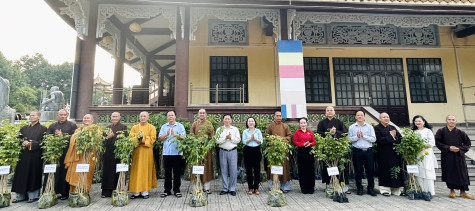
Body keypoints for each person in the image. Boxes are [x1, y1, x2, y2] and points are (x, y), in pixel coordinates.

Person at [11, 111, 47, 203]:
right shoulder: (24, 128)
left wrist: (32, 143)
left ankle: (33, 196)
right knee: (21, 175)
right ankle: (20, 195)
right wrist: (22, 142)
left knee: (33, 174)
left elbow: (44, 142)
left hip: (35, 156)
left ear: (38, 117)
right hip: (23, 156)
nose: (31, 117)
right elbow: (18, 139)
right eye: (30, 115)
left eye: (33, 115)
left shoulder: (43, 129)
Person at [435, 115, 473, 200]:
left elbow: (467, 144)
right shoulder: (441, 131)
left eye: (453, 120)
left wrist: (459, 149)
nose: (451, 121)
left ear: (456, 121)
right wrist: (448, 148)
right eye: (449, 119)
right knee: (449, 172)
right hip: (447, 155)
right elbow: (438, 142)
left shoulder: (461, 132)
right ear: (446, 120)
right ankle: (452, 191)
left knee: (461, 173)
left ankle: (463, 192)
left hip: (458, 155)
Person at [45, 109, 77, 200]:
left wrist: (62, 136)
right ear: (57, 116)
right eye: (60, 115)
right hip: (54, 153)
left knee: (64, 172)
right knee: (53, 172)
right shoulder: (52, 126)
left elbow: (74, 139)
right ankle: (52, 190)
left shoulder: (72, 125)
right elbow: (47, 138)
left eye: (64, 115)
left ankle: (64, 193)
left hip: (66, 153)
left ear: (67, 115)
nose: (62, 116)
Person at [316, 106, 349, 193]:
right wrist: (328, 133)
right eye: (328, 110)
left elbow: (345, 132)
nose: (329, 112)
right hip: (327, 149)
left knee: (339, 165)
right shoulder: (322, 123)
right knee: (328, 166)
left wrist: (336, 132)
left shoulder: (339, 122)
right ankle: (329, 185)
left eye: (331, 110)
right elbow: (319, 134)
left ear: (334, 112)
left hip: (338, 149)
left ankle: (339, 185)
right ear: (325, 113)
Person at [64, 114, 100, 193]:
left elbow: (98, 139)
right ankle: (74, 192)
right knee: (75, 173)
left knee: (86, 173)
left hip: (89, 156)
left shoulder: (96, 129)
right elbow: (73, 138)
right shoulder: (78, 129)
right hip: (77, 155)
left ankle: (84, 192)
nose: (86, 119)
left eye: (88, 118)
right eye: (85, 118)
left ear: (92, 120)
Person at [129, 111, 157, 199]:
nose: (143, 118)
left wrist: (143, 139)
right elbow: (130, 138)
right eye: (141, 116)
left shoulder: (151, 127)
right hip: (137, 151)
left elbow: (153, 139)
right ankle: (136, 192)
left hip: (146, 152)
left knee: (146, 170)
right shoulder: (134, 127)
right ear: (139, 117)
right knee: (136, 170)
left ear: (147, 117)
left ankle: (145, 192)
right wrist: (137, 138)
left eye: (144, 116)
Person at [374, 112, 404, 196]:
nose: (386, 118)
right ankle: (385, 189)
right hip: (383, 153)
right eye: (384, 117)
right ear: (379, 119)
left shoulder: (392, 127)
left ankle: (396, 189)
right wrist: (391, 137)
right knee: (384, 170)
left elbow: (399, 139)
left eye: (387, 117)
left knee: (395, 170)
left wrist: (394, 137)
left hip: (394, 153)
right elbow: (379, 140)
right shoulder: (376, 128)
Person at [348, 111, 376, 196]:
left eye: (361, 115)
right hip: (357, 151)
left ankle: (370, 188)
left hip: (368, 151)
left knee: (370, 171)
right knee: (358, 170)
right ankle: (359, 188)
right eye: (358, 115)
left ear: (364, 117)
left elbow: (374, 139)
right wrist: (357, 137)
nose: (360, 116)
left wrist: (364, 136)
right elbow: (349, 139)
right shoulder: (352, 127)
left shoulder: (369, 127)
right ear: (355, 117)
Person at [158, 110, 186, 198]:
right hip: (167, 153)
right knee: (167, 172)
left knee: (177, 172)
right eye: (169, 115)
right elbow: (160, 138)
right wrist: (166, 134)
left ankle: (176, 190)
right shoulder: (164, 126)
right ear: (167, 117)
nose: (170, 117)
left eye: (172, 115)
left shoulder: (180, 126)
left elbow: (184, 138)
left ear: (175, 117)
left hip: (177, 153)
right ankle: (167, 190)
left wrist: (176, 135)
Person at [101, 112, 127, 198]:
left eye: (116, 116)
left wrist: (114, 136)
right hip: (109, 152)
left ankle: (118, 189)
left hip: (119, 151)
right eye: (113, 116)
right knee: (108, 171)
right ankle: (106, 191)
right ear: (111, 118)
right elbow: (103, 141)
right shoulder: (107, 128)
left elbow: (125, 140)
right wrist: (108, 137)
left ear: (119, 117)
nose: (115, 118)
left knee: (118, 171)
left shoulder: (123, 127)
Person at [412, 115, 438, 200]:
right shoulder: (413, 132)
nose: (418, 122)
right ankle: (421, 190)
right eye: (416, 121)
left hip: (426, 153)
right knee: (419, 172)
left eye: (419, 121)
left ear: (424, 122)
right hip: (417, 154)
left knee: (427, 171)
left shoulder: (428, 131)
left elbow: (432, 143)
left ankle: (429, 191)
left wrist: (423, 146)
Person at [265, 111, 292, 193]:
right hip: (273, 151)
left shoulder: (285, 126)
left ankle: (285, 187)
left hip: (283, 151)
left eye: (280, 116)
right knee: (273, 167)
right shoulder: (270, 126)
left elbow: (289, 137)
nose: (279, 117)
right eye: (277, 116)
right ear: (274, 117)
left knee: (284, 168)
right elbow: (267, 136)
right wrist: (274, 138)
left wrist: (281, 138)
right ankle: (273, 185)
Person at [190, 108, 215, 194]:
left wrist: (207, 144)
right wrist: (196, 141)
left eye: (203, 113)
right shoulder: (195, 124)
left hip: (206, 150)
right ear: (198, 115)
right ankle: (195, 187)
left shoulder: (209, 124)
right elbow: (191, 135)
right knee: (196, 167)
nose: (202, 115)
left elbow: (212, 137)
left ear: (206, 114)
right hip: (196, 149)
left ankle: (206, 188)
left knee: (206, 167)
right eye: (200, 113)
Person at [216, 114, 241, 196]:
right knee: (224, 170)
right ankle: (225, 188)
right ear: (223, 120)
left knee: (233, 170)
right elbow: (217, 140)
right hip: (223, 151)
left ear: (231, 120)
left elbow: (238, 140)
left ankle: (232, 188)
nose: (227, 120)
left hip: (233, 151)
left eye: (228, 119)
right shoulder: (220, 129)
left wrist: (231, 138)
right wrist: (225, 138)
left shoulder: (235, 129)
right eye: (225, 119)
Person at [293, 117, 316, 194]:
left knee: (310, 170)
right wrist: (303, 144)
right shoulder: (297, 132)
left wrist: (310, 144)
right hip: (301, 151)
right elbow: (295, 142)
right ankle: (304, 188)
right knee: (302, 170)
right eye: (301, 123)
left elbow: (314, 142)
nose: (303, 124)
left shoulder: (310, 132)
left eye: (304, 123)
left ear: (306, 123)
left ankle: (311, 188)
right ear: (299, 124)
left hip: (309, 151)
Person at [242, 117, 263, 195]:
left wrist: (255, 139)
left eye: (252, 121)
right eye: (249, 121)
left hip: (256, 150)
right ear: (247, 123)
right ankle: (250, 188)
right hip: (248, 150)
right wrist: (251, 138)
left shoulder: (258, 131)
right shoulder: (245, 131)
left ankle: (256, 188)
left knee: (257, 170)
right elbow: (244, 142)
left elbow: (261, 141)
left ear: (255, 123)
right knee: (249, 170)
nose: (251, 122)